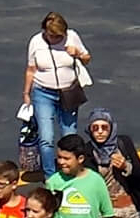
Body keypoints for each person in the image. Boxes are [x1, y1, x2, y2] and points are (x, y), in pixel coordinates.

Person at [19, 13, 91, 172]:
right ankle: (50, 175)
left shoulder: (72, 37)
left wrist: (78, 53)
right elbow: (31, 69)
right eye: (51, 36)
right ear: (44, 30)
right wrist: (26, 93)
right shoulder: (36, 42)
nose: (55, 39)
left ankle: (70, 171)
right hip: (43, 93)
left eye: (59, 36)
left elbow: (87, 58)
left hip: (68, 92)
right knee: (46, 137)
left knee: (69, 135)